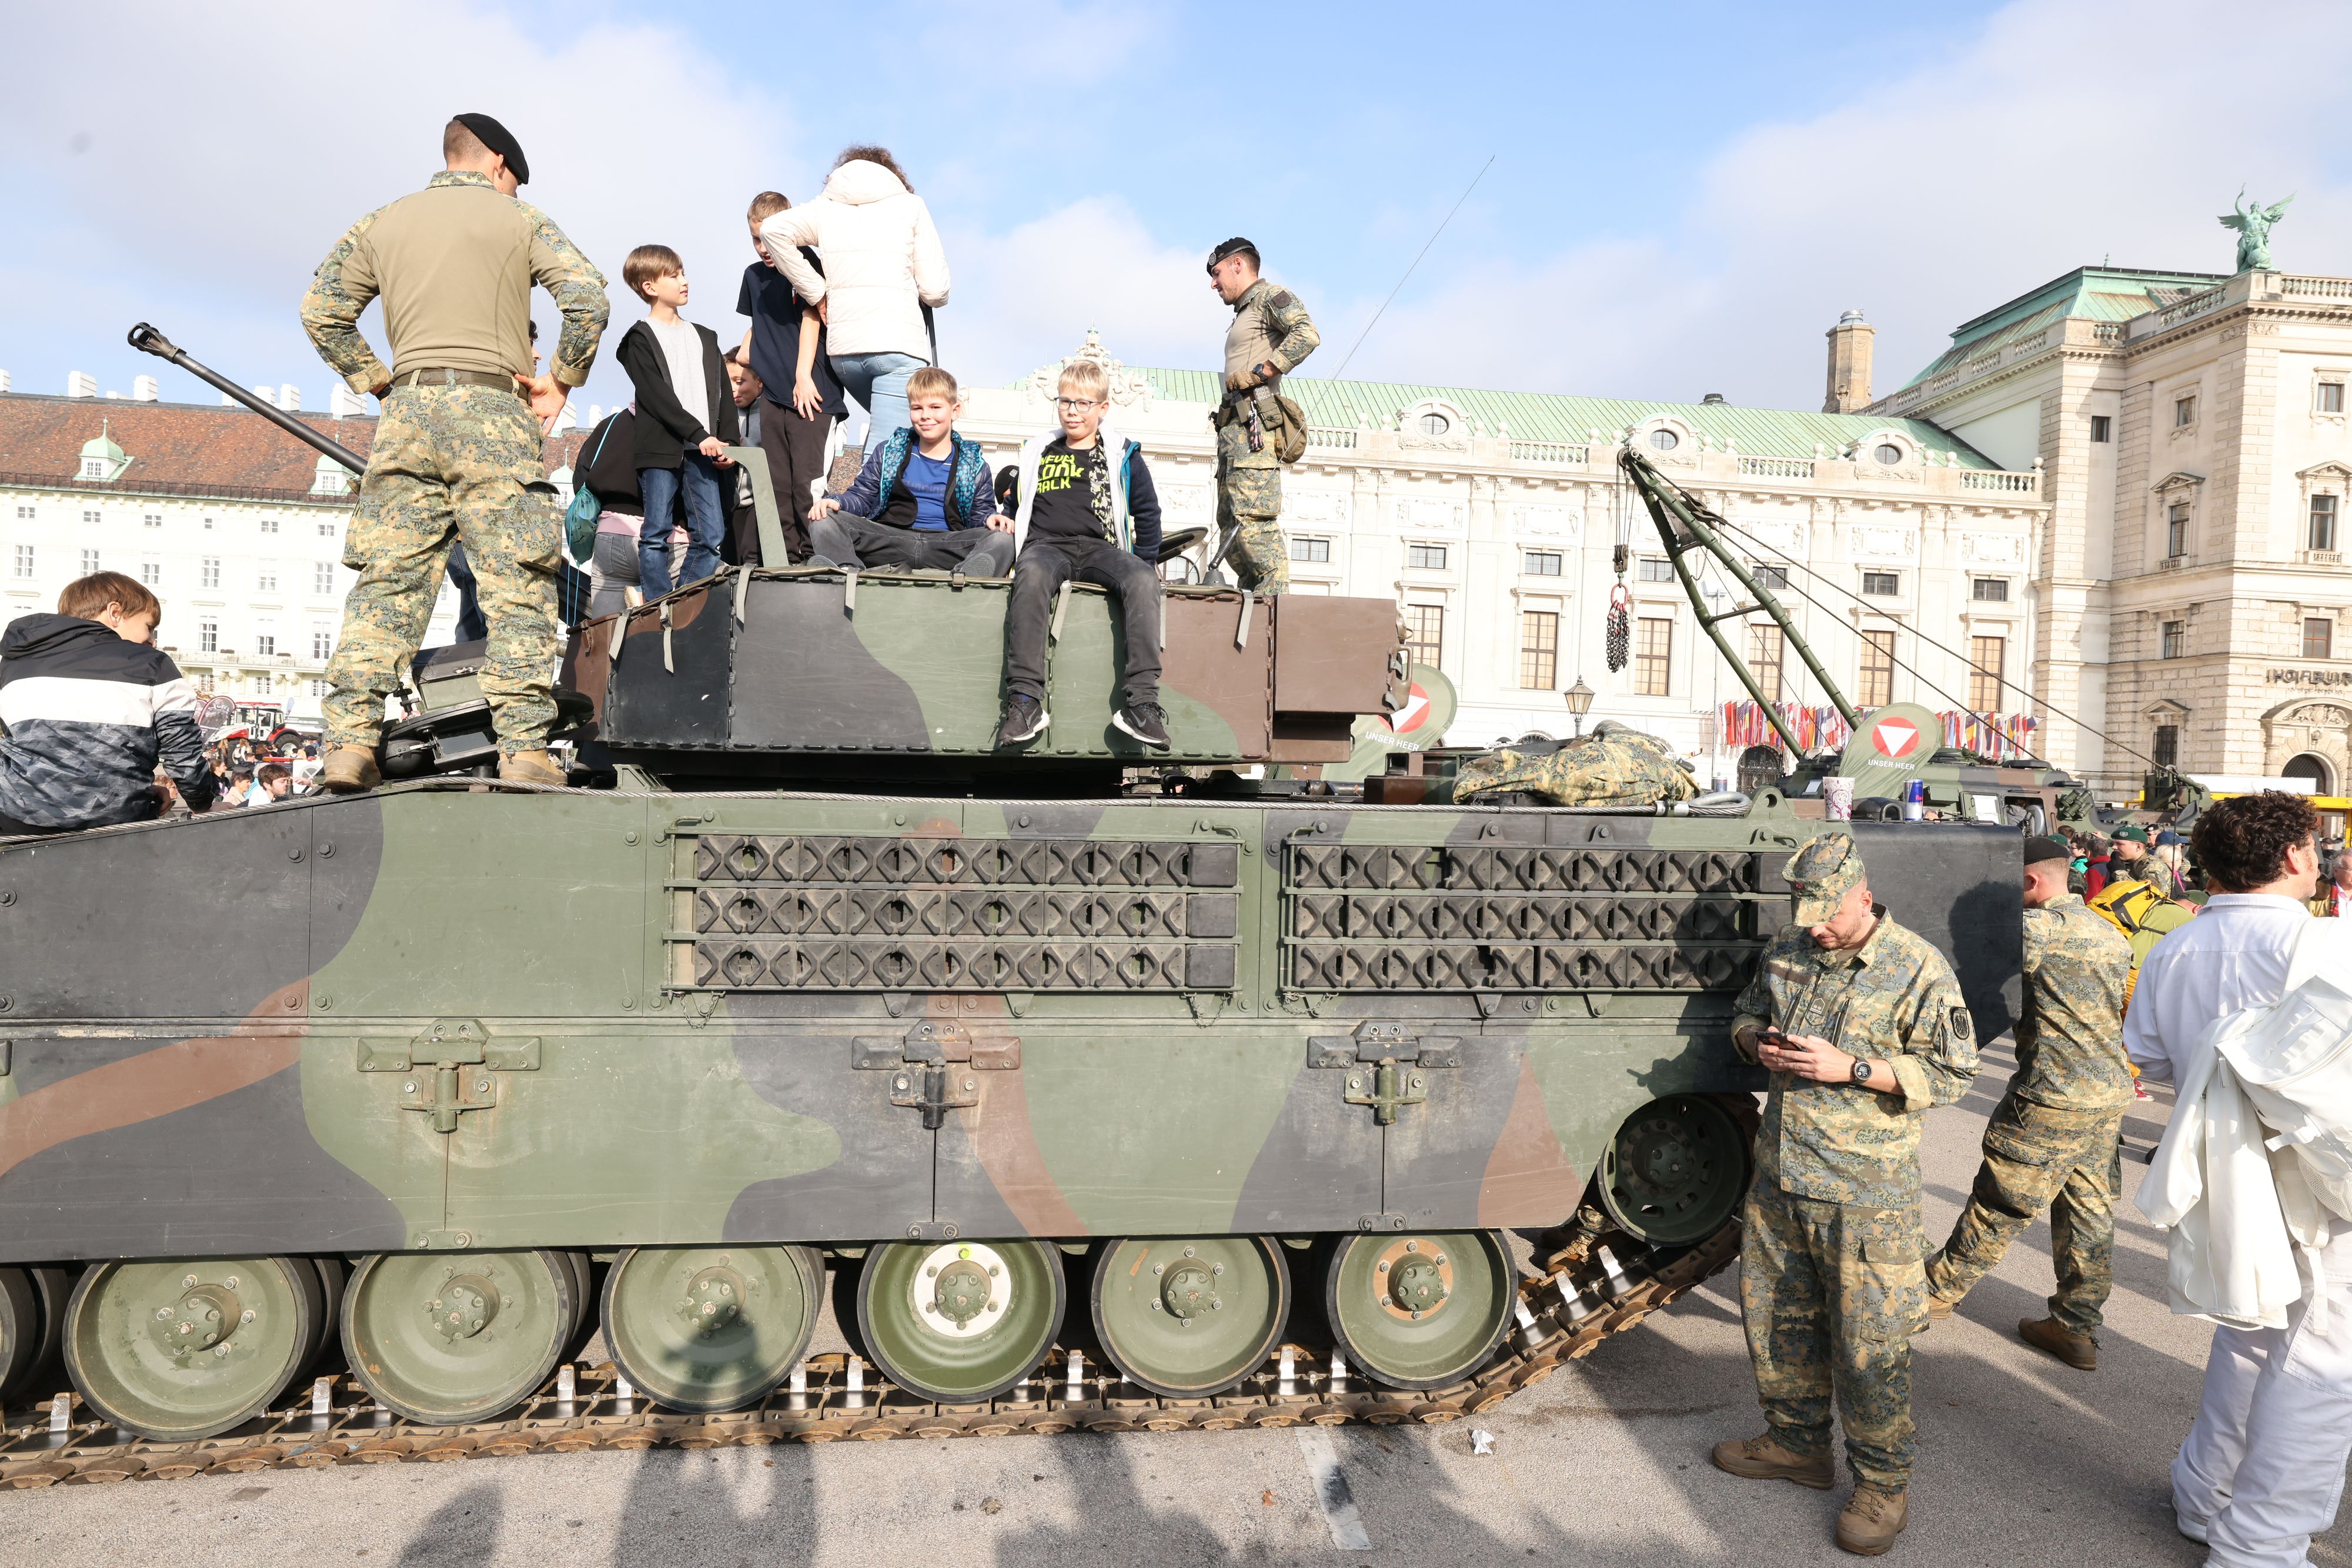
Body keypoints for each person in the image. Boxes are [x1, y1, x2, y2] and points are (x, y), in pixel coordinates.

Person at [300, 112, 609, 791]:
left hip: (407, 412)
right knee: (517, 581)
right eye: (515, 183)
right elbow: (586, 298)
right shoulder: (520, 222)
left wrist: (377, 381)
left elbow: (320, 311)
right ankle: (524, 749)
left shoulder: (381, 222)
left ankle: (350, 744)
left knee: (389, 582)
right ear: (498, 165)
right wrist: (561, 377)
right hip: (492, 412)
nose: (516, 195)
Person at [1710, 832, 1977, 1558]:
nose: (1816, 926)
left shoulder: (1917, 966)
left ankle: (1883, 1485)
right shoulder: (1790, 951)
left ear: (1863, 894)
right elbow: (1740, 1012)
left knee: (1869, 1347)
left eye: (1828, 912)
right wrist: (1753, 1043)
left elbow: (1955, 1076)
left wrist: (1853, 1068)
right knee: (1775, 1324)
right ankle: (1797, 1445)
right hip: (1781, 1180)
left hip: (1865, 1197)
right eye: (1806, 911)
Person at [2128, 791, 2352, 1567]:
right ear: (2294, 856)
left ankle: (2205, 1490)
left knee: (2252, 1333)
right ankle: (2260, 1546)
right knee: (2324, 1362)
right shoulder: (2325, 942)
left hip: (2224, 1171)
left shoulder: (2171, 948)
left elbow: (2153, 1061)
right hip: (2318, 1180)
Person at [1923, 835, 2132, 1368]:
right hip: (2106, 1096)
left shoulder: (2035, 933)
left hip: (2051, 1098)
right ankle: (2075, 1326)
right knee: (2089, 1211)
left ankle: (1933, 1294)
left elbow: (1961, 969)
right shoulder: (2108, 932)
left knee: (2001, 1202)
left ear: (2031, 882)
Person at [993, 359, 1169, 751]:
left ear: (1103, 408)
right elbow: (1018, 502)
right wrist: (1005, 520)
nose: (1073, 410)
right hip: (1046, 545)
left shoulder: (1123, 455)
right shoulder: (1039, 450)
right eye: (1066, 401)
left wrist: (1148, 558)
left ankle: (1142, 703)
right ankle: (1025, 702)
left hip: (1101, 548)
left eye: (1083, 403)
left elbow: (1148, 510)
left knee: (1141, 578)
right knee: (1032, 576)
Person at [0, 572, 219, 833]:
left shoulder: (14, 665)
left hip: (18, 822)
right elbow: (183, 756)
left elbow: (49, 752)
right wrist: (202, 806)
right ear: (115, 613)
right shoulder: (152, 664)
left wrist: (139, 788)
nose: (152, 640)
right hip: (114, 830)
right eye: (149, 627)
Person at [757, 147, 947, 449]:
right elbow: (935, 290)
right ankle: (869, 498)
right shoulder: (911, 206)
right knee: (887, 450)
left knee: (901, 440)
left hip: (844, 354)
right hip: (896, 348)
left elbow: (772, 230)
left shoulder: (826, 207)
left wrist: (816, 292)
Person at [615, 245, 739, 600]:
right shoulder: (638, 339)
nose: (685, 281)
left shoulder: (705, 337)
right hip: (661, 449)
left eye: (683, 272)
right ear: (649, 286)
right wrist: (699, 434)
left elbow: (724, 396)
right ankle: (655, 605)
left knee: (712, 537)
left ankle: (672, 603)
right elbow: (657, 398)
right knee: (656, 534)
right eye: (674, 275)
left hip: (705, 450)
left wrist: (728, 440)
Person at [807, 367, 1013, 576]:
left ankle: (967, 581)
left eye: (935, 407)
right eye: (917, 408)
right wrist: (838, 502)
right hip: (891, 539)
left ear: (955, 410)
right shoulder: (889, 452)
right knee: (823, 519)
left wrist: (990, 518)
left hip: (947, 543)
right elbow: (862, 496)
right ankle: (848, 575)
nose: (925, 416)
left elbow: (980, 514)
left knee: (1004, 536)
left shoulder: (974, 464)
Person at [1205, 237, 1318, 596]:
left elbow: (1307, 333)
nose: (1214, 283)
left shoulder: (1269, 298)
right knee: (1232, 528)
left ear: (1238, 265)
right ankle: (1253, 609)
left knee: (1253, 526)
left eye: (1217, 272)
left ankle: (1276, 618)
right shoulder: (1244, 313)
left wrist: (1266, 369)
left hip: (1253, 430)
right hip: (1234, 434)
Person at [739, 192, 843, 561]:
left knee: (807, 487)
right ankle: (786, 561)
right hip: (773, 398)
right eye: (756, 239)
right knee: (776, 486)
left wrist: (802, 375)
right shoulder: (752, 276)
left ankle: (816, 557)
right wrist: (748, 358)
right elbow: (759, 325)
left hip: (812, 393)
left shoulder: (805, 262)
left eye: (769, 237)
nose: (764, 247)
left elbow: (813, 318)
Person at [721, 350, 767, 568]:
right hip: (728, 501)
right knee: (727, 559)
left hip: (760, 502)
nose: (733, 388)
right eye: (727, 381)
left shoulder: (771, 415)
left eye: (740, 382)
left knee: (753, 558)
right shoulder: (720, 414)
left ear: (760, 382)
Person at [2109, 823, 2183, 898]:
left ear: (2138, 847)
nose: (2114, 847)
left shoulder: (2154, 867)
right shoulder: (2132, 864)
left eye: (2119, 844)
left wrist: (2119, 872)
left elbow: (2147, 895)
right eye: (2114, 843)